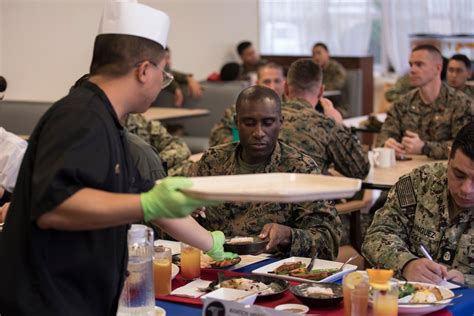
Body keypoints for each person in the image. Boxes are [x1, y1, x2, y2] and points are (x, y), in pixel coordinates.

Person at [0, 2, 233, 315]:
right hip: (51, 300)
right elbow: (54, 206)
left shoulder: (109, 122)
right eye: (163, 75)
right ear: (144, 71)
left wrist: (211, 242)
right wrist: (148, 205)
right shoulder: (80, 117)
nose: (160, 84)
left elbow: (143, 192)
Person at [189, 86, 342, 260]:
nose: (259, 132)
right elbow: (175, 227)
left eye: (268, 123)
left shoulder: (300, 170)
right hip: (214, 265)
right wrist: (185, 211)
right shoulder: (212, 162)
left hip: (274, 272)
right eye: (249, 123)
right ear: (236, 123)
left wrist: (288, 236)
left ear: (281, 122)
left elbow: (329, 243)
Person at [362, 122, 474, 286]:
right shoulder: (419, 183)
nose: (466, 189)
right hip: (410, 300)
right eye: (459, 174)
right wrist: (407, 264)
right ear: (449, 157)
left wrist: (468, 280)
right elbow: (377, 235)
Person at [208, 62, 343, 147]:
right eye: (267, 81)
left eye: (277, 81)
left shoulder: (296, 111)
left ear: (285, 85)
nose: (272, 86)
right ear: (257, 83)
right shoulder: (238, 110)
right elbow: (216, 137)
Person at [376, 45, 473, 160]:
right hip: (405, 174)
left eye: (419, 64)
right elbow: (383, 137)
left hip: (443, 175)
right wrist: (388, 144)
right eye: (411, 65)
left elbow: (464, 148)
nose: (412, 70)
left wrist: (424, 148)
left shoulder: (461, 104)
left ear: (437, 68)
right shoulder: (401, 104)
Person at [281, 58, 369, 179]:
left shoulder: (265, 120)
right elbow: (360, 170)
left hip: (263, 195)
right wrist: (339, 125)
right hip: (311, 195)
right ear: (321, 91)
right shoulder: (326, 125)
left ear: (285, 88)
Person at [124, 113, 192, 176]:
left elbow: (180, 147)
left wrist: (154, 163)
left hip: (145, 176)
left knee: (188, 168)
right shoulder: (114, 128)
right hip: (124, 181)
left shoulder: (139, 121)